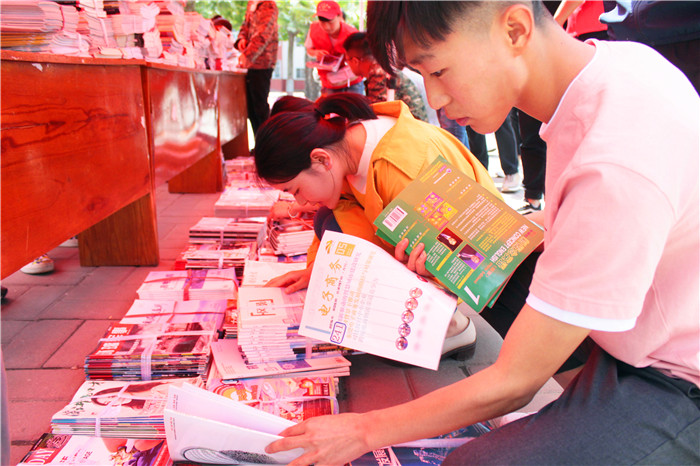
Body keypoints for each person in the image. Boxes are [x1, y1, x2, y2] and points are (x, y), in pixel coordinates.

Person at [263, 2, 700, 465]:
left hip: (674, 375)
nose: (434, 100)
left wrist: (362, 430)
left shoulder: (614, 157)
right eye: (420, 75)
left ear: (514, 29)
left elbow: (515, 381)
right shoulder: (618, 72)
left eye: (439, 71)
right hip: (631, 344)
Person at [254, 93, 503, 362]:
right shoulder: (347, 144)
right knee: (328, 219)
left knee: (337, 233)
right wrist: (317, 270)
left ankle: (450, 327)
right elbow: (338, 213)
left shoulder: (399, 169)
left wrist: (426, 280)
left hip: (479, 259)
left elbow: (462, 259)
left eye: (295, 190)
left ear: (321, 160)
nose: (301, 202)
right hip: (437, 240)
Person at [343, 32, 429, 122]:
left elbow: (377, 116)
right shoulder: (380, 69)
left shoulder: (378, 74)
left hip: (411, 126)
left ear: (355, 61)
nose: (348, 65)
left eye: (347, 61)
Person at [234, 1, 279, 136]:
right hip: (250, 64)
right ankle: (259, 141)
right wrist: (242, 39)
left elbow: (263, 35)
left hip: (262, 63)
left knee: (259, 107)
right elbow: (245, 25)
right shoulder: (252, 4)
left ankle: (267, 142)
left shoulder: (268, 5)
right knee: (251, 109)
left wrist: (247, 56)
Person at [304, 1, 364, 96]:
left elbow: (361, 61)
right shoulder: (313, 29)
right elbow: (309, 50)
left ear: (340, 16)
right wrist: (316, 53)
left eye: (330, 22)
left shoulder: (352, 34)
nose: (326, 27)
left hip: (352, 82)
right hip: (328, 83)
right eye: (322, 23)